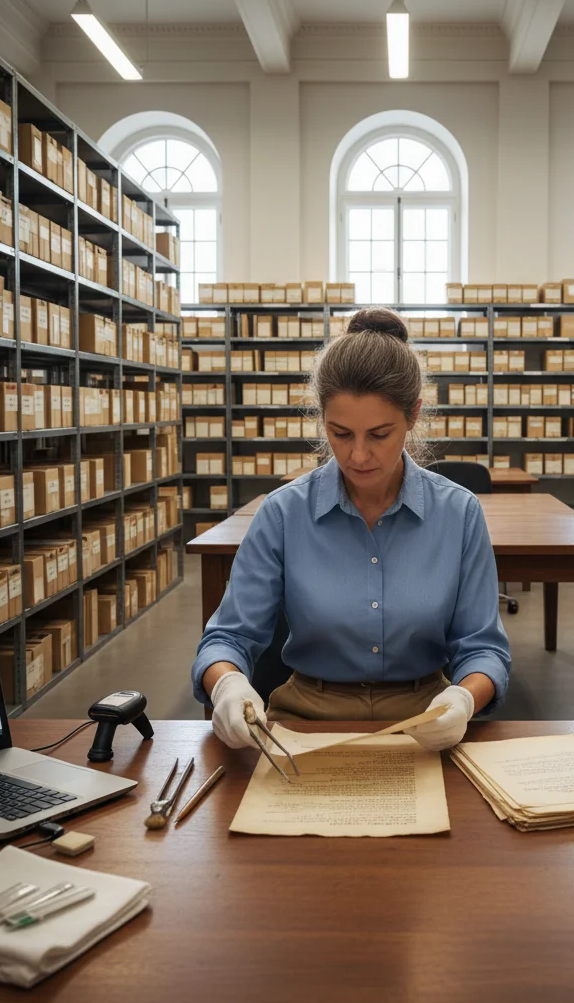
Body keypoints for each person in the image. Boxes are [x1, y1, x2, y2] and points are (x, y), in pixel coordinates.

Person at [191, 306, 511, 752]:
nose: (358, 455)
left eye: (379, 434)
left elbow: (483, 649)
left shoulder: (459, 514)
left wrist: (463, 698)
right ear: (322, 418)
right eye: (341, 433)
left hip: (426, 722)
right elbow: (228, 638)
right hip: (303, 724)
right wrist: (227, 685)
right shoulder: (284, 514)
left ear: (413, 415)